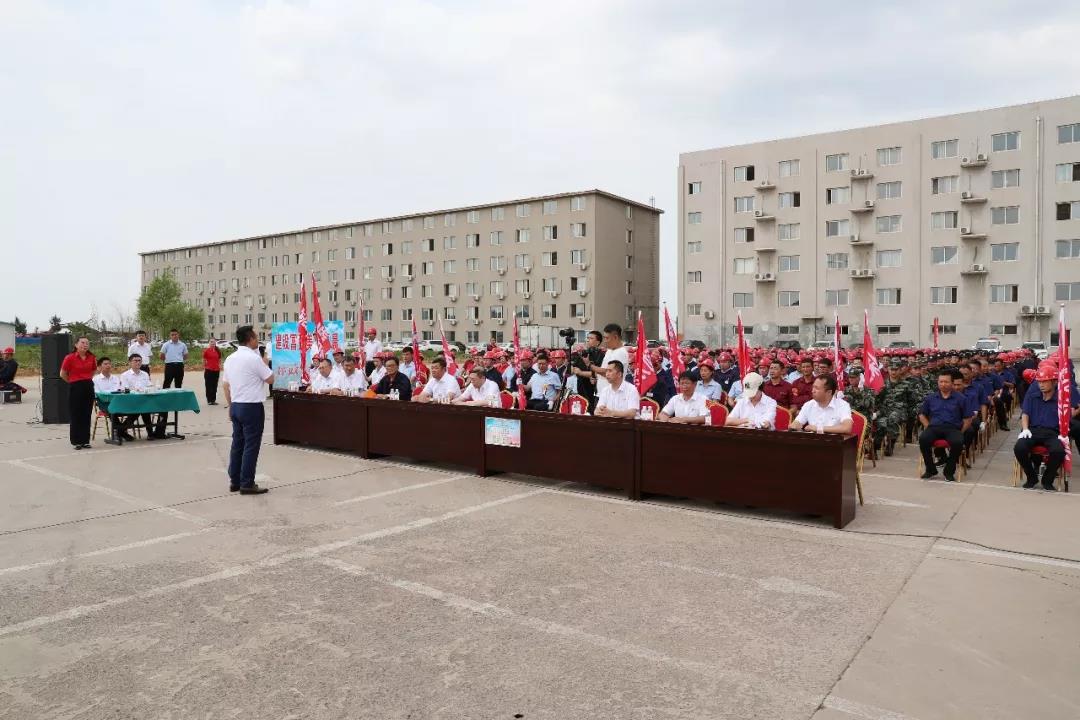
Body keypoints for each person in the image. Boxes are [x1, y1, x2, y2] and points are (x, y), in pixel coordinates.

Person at [222, 326, 273, 494]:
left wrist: (230, 405)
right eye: (256, 337)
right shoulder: (254, 358)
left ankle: (235, 481)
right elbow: (270, 379)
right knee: (251, 445)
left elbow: (226, 385)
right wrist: (265, 362)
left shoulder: (230, 358)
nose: (257, 340)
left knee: (237, 444)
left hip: (236, 405)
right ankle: (247, 483)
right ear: (250, 339)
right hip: (251, 406)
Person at [1013, 368, 1077, 490]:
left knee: (1058, 451)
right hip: (1032, 431)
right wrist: (1025, 429)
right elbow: (1025, 413)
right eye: (1039, 382)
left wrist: (1063, 433)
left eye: (1045, 381)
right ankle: (1031, 477)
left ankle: (1047, 480)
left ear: (1054, 382)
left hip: (1052, 433)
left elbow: (1066, 418)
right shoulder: (1032, 396)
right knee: (1019, 448)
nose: (1041, 385)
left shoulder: (1061, 400)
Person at [915, 370, 970, 482]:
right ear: (938, 382)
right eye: (941, 382)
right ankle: (930, 469)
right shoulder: (931, 398)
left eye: (946, 382)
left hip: (952, 428)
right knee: (923, 439)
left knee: (958, 442)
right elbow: (921, 414)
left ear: (952, 383)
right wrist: (928, 426)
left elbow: (968, 419)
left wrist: (961, 432)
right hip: (934, 427)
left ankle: (949, 472)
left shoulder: (961, 398)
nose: (943, 384)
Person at [118, 353, 168, 439]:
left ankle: (159, 432)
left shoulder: (145, 374)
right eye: (135, 361)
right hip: (132, 401)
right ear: (130, 362)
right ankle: (149, 433)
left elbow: (150, 386)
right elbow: (125, 389)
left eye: (139, 361)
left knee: (164, 408)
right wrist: (137, 390)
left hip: (146, 400)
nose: (138, 362)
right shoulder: (125, 375)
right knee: (143, 409)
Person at [59, 336, 96, 449]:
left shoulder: (91, 357)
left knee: (86, 414)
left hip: (88, 386)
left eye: (87, 343)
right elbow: (62, 374)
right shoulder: (69, 358)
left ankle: (85, 440)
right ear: (76, 345)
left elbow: (93, 370)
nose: (85, 345)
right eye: (82, 342)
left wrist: (86, 379)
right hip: (75, 386)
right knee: (76, 414)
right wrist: (72, 381)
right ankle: (76, 441)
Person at [92, 357, 127, 443]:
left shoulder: (115, 378)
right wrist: (110, 393)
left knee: (134, 411)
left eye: (109, 364)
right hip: (104, 402)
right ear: (99, 367)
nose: (108, 365)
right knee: (112, 410)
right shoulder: (95, 379)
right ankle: (121, 433)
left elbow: (120, 389)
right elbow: (97, 393)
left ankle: (119, 432)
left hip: (117, 401)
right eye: (105, 364)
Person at [589, 324, 630, 398]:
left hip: (612, 395)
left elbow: (607, 373)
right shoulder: (609, 350)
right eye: (604, 338)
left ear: (615, 337)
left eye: (607, 338)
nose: (605, 341)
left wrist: (589, 365)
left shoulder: (621, 352)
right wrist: (596, 376)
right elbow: (604, 370)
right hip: (602, 393)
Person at [203, 338, 222, 405]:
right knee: (208, 385)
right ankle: (209, 400)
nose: (212, 343)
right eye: (211, 342)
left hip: (216, 370)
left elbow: (219, 359)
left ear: (215, 343)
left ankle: (213, 400)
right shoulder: (206, 351)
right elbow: (204, 359)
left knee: (214, 385)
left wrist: (219, 365)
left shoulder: (218, 351)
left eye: (213, 342)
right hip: (209, 370)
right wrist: (205, 366)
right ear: (209, 343)